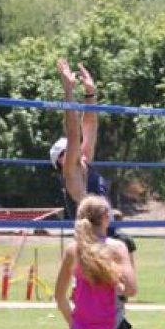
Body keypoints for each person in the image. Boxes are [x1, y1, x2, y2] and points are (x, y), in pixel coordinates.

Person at [55, 195, 138, 329]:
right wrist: (118, 281)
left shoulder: (72, 249)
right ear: (105, 217)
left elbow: (59, 296)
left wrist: (75, 324)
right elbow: (132, 289)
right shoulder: (117, 247)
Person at [51, 59, 107, 214]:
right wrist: (68, 91)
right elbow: (73, 133)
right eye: (66, 150)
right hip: (91, 232)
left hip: (103, 227)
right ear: (61, 161)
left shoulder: (83, 164)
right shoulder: (70, 173)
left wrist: (90, 93)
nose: (74, 148)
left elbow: (90, 126)